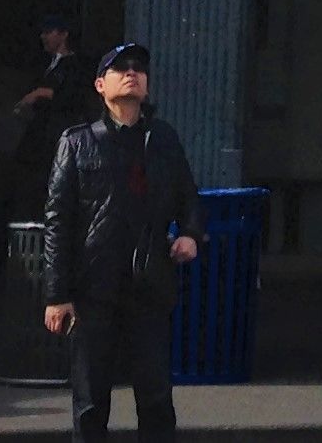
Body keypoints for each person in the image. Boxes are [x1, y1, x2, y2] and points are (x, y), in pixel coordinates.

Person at [44, 43, 205, 440]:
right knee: (90, 401)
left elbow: (189, 196)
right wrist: (56, 294)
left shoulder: (162, 140)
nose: (132, 73)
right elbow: (57, 222)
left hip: (148, 287)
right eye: (120, 69)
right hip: (93, 289)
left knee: (155, 398)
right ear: (101, 85)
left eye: (138, 69)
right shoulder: (78, 142)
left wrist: (189, 233)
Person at [17, 14, 94, 208]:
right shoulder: (45, 65)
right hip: (41, 136)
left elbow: (73, 97)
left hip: (57, 135)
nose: (44, 37)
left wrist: (42, 93)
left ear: (63, 35)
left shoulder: (74, 66)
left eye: (49, 32)